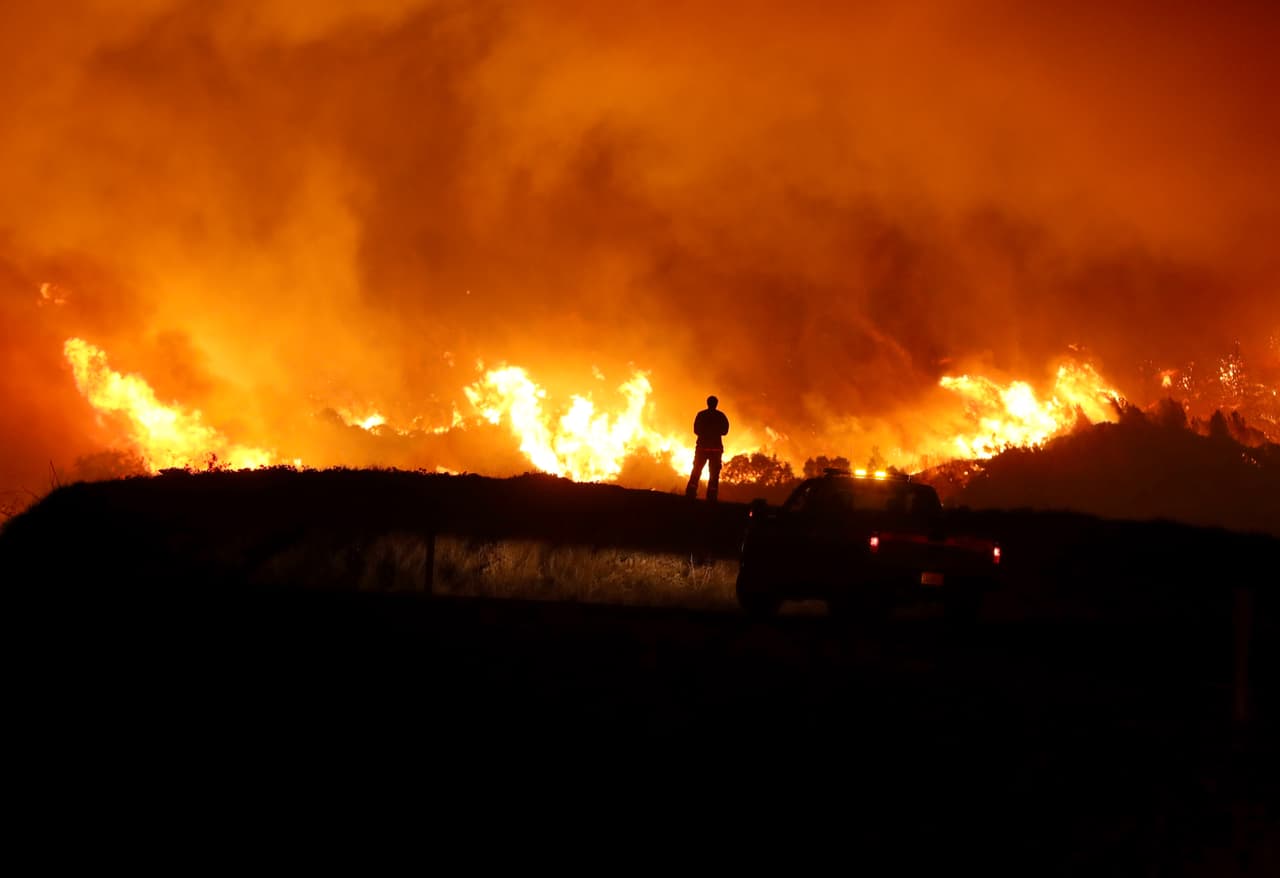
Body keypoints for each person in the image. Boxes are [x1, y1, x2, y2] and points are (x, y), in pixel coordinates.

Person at [685, 395, 729, 502]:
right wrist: (715, 432)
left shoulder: (701, 415)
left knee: (696, 471)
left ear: (707, 403)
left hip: (702, 448)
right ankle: (711, 497)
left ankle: (690, 494)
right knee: (714, 474)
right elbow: (725, 431)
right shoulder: (721, 416)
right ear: (716, 404)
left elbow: (696, 430)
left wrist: (705, 433)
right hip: (715, 450)